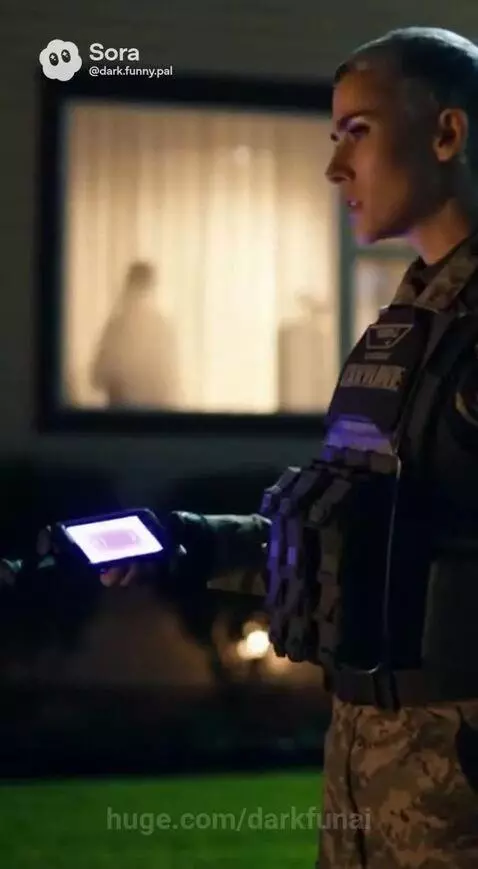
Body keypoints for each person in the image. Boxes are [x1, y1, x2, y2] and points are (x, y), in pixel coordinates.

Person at [99, 26, 478, 867]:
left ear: (447, 134)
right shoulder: (404, 331)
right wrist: (189, 541)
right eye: (331, 135)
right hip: (365, 768)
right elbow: (351, 537)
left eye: (359, 131)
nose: (334, 167)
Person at [91, 261, 180, 408]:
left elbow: (96, 377)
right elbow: (172, 384)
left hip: (122, 420)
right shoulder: (164, 327)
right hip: (151, 419)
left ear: (128, 286)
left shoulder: (116, 326)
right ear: (153, 288)